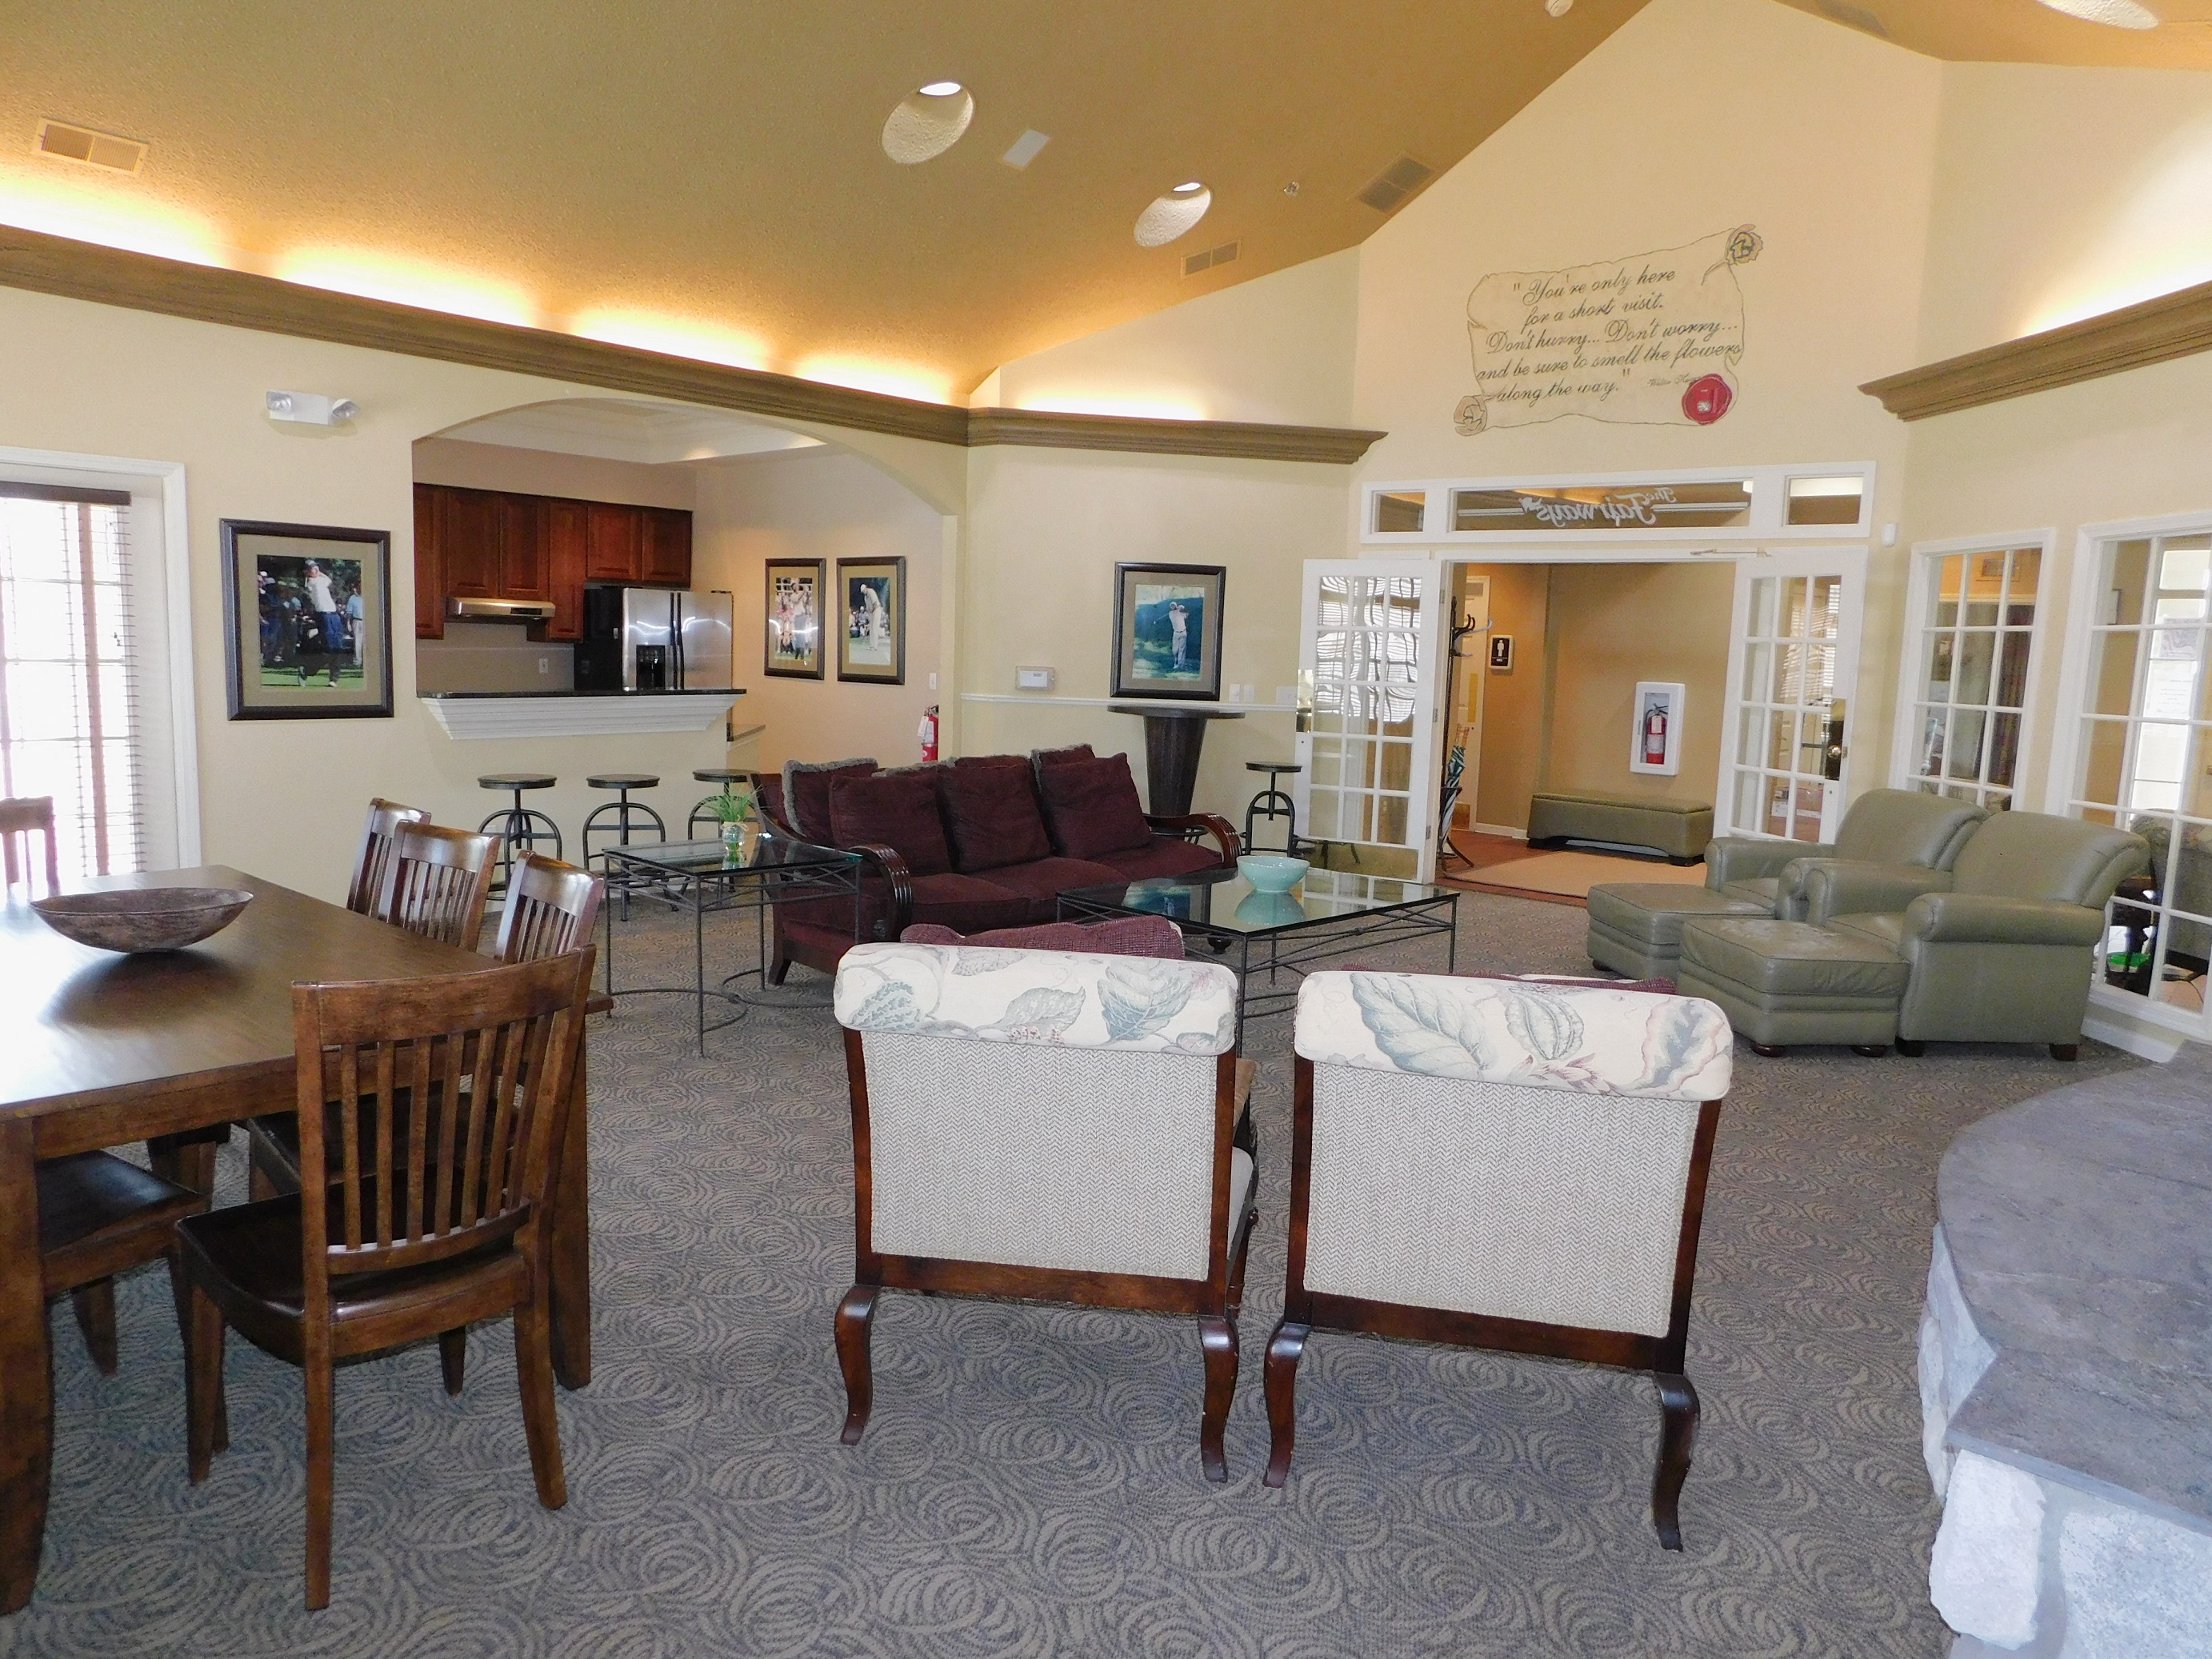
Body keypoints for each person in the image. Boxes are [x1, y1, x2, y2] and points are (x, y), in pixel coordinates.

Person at [1168, 600, 1190, 672]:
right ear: (1171, 608)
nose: (1173, 607)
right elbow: (1176, 613)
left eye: (1174, 605)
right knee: (1175, 650)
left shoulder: (1181, 613)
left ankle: (1181, 665)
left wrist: (1183, 608)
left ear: (1176, 606)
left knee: (1182, 649)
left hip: (1183, 632)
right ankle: (1176, 663)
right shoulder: (1171, 614)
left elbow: (1188, 614)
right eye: (1172, 606)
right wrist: (1180, 608)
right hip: (1176, 633)